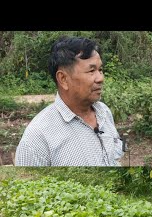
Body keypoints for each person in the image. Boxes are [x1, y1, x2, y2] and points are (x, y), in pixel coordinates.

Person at [15, 36, 124, 166]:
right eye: (91, 70)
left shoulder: (104, 112)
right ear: (63, 79)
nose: (100, 78)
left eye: (100, 70)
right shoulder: (37, 138)